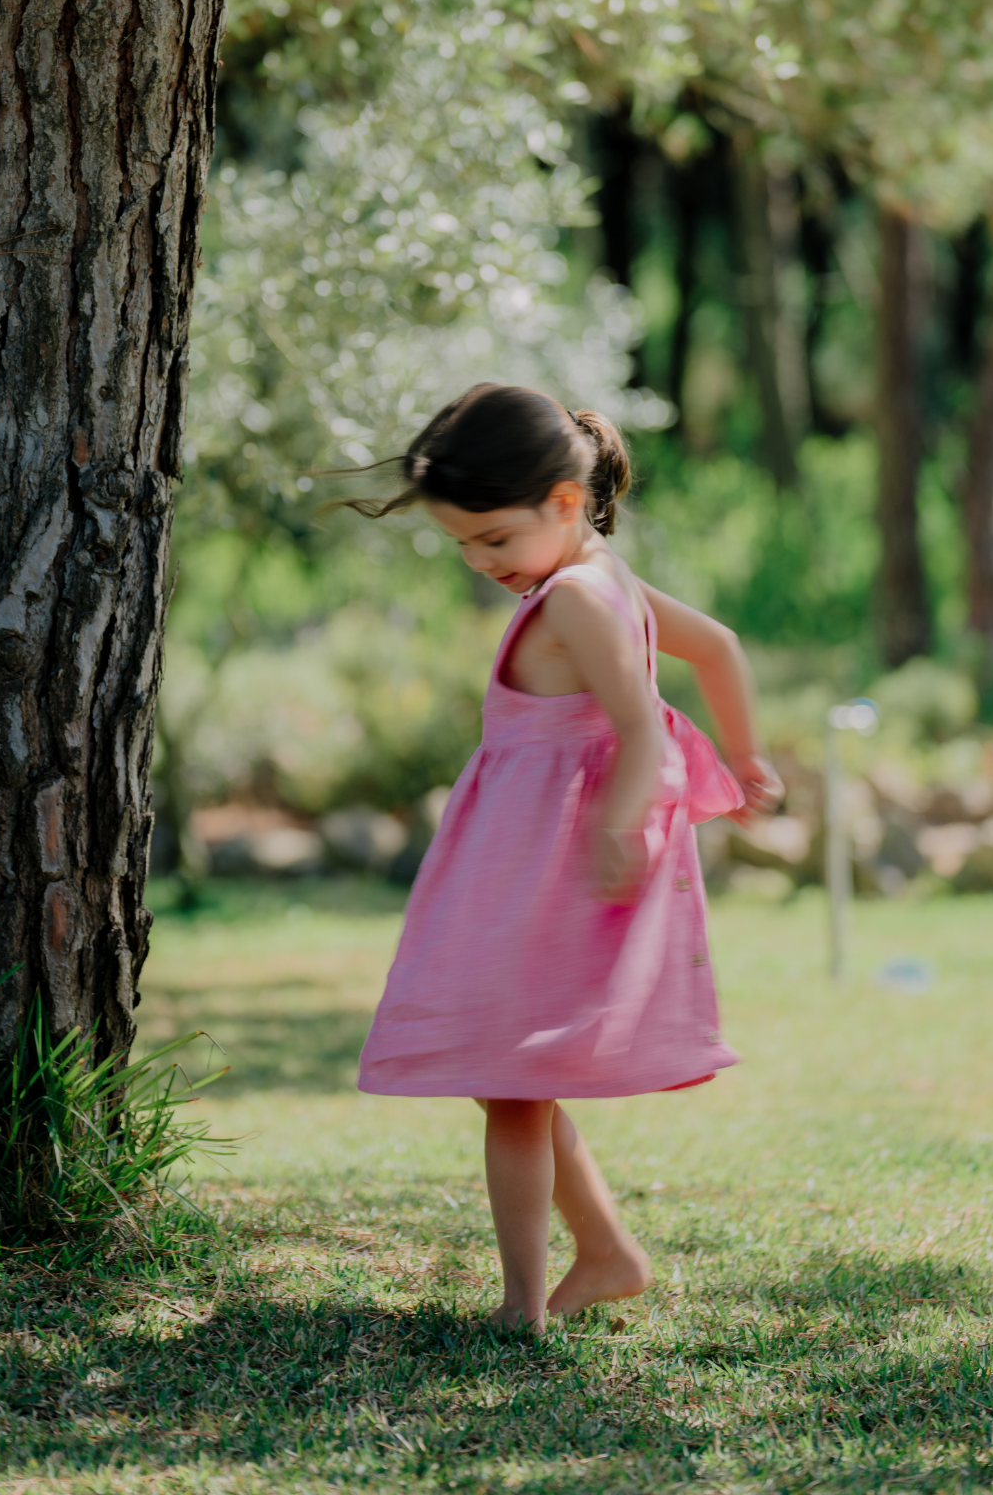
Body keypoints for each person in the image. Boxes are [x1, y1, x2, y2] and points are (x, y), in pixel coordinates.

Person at [347, 384, 783, 1332]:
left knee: (507, 1085)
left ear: (562, 500)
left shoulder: (581, 596)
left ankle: (518, 1307)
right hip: (533, 862)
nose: (479, 561)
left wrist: (624, 826)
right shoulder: (597, 577)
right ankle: (606, 1253)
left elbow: (634, 724)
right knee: (510, 1075)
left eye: (494, 539)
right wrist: (744, 758)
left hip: (553, 871)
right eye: (462, 542)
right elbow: (721, 648)